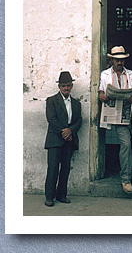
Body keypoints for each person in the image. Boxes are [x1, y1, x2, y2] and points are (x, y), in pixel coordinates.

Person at [99, 46, 132, 194]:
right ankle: (125, 179)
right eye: (117, 60)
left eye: (122, 60)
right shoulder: (105, 75)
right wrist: (101, 95)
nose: (120, 62)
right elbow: (101, 90)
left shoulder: (131, 74)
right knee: (126, 145)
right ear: (112, 60)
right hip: (118, 116)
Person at [44, 71, 82, 207]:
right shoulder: (52, 101)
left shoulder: (77, 104)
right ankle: (49, 197)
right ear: (59, 87)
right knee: (53, 168)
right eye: (63, 86)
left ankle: (62, 195)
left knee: (65, 168)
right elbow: (51, 119)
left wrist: (70, 130)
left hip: (69, 140)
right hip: (55, 140)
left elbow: (78, 120)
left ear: (71, 86)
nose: (66, 88)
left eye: (68, 86)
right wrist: (64, 131)